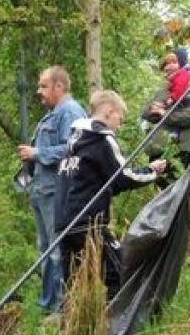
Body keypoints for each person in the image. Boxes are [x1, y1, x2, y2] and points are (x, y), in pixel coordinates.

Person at [55, 90, 167, 301]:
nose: (119, 125)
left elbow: (103, 184)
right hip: (89, 223)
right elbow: (123, 177)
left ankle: (77, 330)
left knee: (75, 286)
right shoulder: (101, 139)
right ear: (109, 112)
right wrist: (151, 171)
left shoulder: (73, 142)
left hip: (64, 225)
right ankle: (119, 330)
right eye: (119, 119)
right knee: (118, 274)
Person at [16, 66, 87, 311]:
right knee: (46, 250)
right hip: (42, 190)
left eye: (44, 86)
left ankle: (60, 306)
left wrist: (37, 153)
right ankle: (47, 305)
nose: (39, 92)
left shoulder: (70, 111)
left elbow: (73, 149)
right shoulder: (54, 114)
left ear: (59, 86)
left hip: (56, 192)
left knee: (56, 251)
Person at [141, 46, 190, 169]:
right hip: (159, 148)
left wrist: (164, 114)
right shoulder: (163, 90)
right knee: (162, 185)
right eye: (165, 64)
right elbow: (146, 113)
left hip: (186, 149)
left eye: (173, 63)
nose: (167, 67)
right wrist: (154, 111)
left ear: (182, 64)